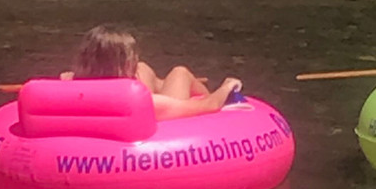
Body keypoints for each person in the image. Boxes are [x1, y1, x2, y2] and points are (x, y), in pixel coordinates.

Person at [60, 25, 243, 121]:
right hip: (160, 115)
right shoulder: (144, 103)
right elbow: (209, 106)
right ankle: (193, 85)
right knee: (180, 73)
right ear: (124, 65)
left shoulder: (68, 85)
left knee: (145, 70)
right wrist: (227, 86)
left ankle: (165, 83)